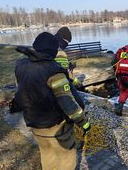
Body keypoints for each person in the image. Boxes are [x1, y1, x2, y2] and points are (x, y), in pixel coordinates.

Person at [14, 32, 89, 170]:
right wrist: (84, 123)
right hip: (56, 127)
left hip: (34, 124)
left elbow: (22, 90)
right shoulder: (54, 72)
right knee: (66, 158)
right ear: (53, 51)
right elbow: (68, 104)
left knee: (47, 154)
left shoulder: (21, 65)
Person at [54, 27, 85, 110]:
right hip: (55, 84)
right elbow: (66, 74)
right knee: (79, 104)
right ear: (63, 39)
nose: (67, 45)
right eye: (67, 42)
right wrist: (77, 83)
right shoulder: (59, 51)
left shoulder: (49, 44)